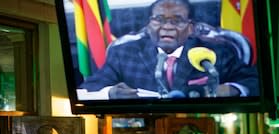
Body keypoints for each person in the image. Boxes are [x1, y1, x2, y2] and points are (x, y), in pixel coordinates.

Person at [79, 0, 259, 99]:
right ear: (149, 24)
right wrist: (110, 93)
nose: (167, 27)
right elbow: (89, 89)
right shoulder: (124, 54)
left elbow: (256, 82)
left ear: (190, 27)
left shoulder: (217, 52)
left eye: (177, 20)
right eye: (159, 19)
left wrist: (232, 90)